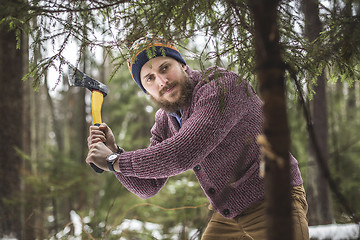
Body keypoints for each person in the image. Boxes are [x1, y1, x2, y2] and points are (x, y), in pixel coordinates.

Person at [86, 36, 309, 239]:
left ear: (182, 65)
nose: (162, 81)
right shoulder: (165, 119)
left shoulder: (221, 86)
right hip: (229, 213)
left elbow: (184, 152)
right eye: (150, 79)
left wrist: (113, 161)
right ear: (146, 91)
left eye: (165, 68)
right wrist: (115, 151)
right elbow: (149, 186)